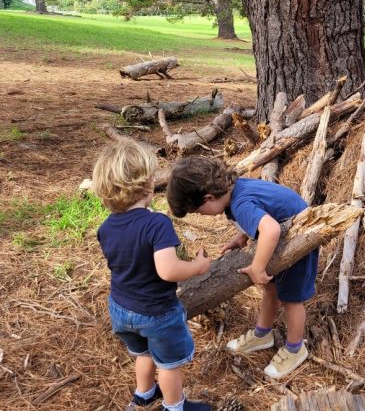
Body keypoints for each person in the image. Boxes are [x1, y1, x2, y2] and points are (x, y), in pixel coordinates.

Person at [166, 156, 316, 380]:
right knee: (271, 289)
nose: (201, 216)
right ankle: (262, 334)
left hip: (299, 242)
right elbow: (264, 214)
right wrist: (243, 236)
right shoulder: (237, 188)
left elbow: (271, 230)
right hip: (285, 240)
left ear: (208, 197)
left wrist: (257, 267)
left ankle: (296, 348)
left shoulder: (239, 203)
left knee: (291, 299)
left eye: (198, 211)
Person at [92, 140, 212, 411]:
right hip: (157, 312)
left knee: (143, 353)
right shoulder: (156, 223)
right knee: (169, 366)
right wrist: (197, 267)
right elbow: (168, 270)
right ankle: (175, 407)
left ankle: (144, 394)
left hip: (121, 309)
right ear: (147, 186)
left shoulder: (106, 227)